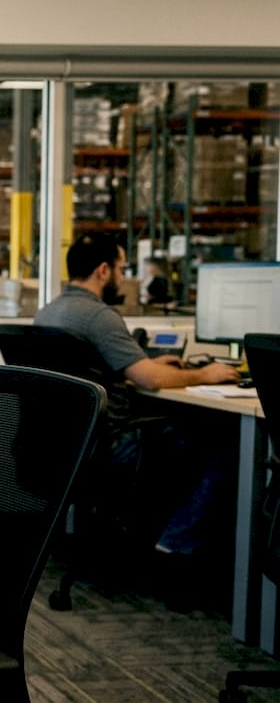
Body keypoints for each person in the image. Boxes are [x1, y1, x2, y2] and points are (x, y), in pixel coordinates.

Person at [35, 232, 239, 557]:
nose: (122, 276)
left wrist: (142, 362)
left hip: (61, 442)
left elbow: (111, 367)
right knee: (225, 445)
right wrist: (205, 373)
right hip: (114, 445)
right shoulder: (99, 316)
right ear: (103, 271)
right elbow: (150, 379)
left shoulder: (49, 312)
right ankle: (177, 540)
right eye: (120, 268)